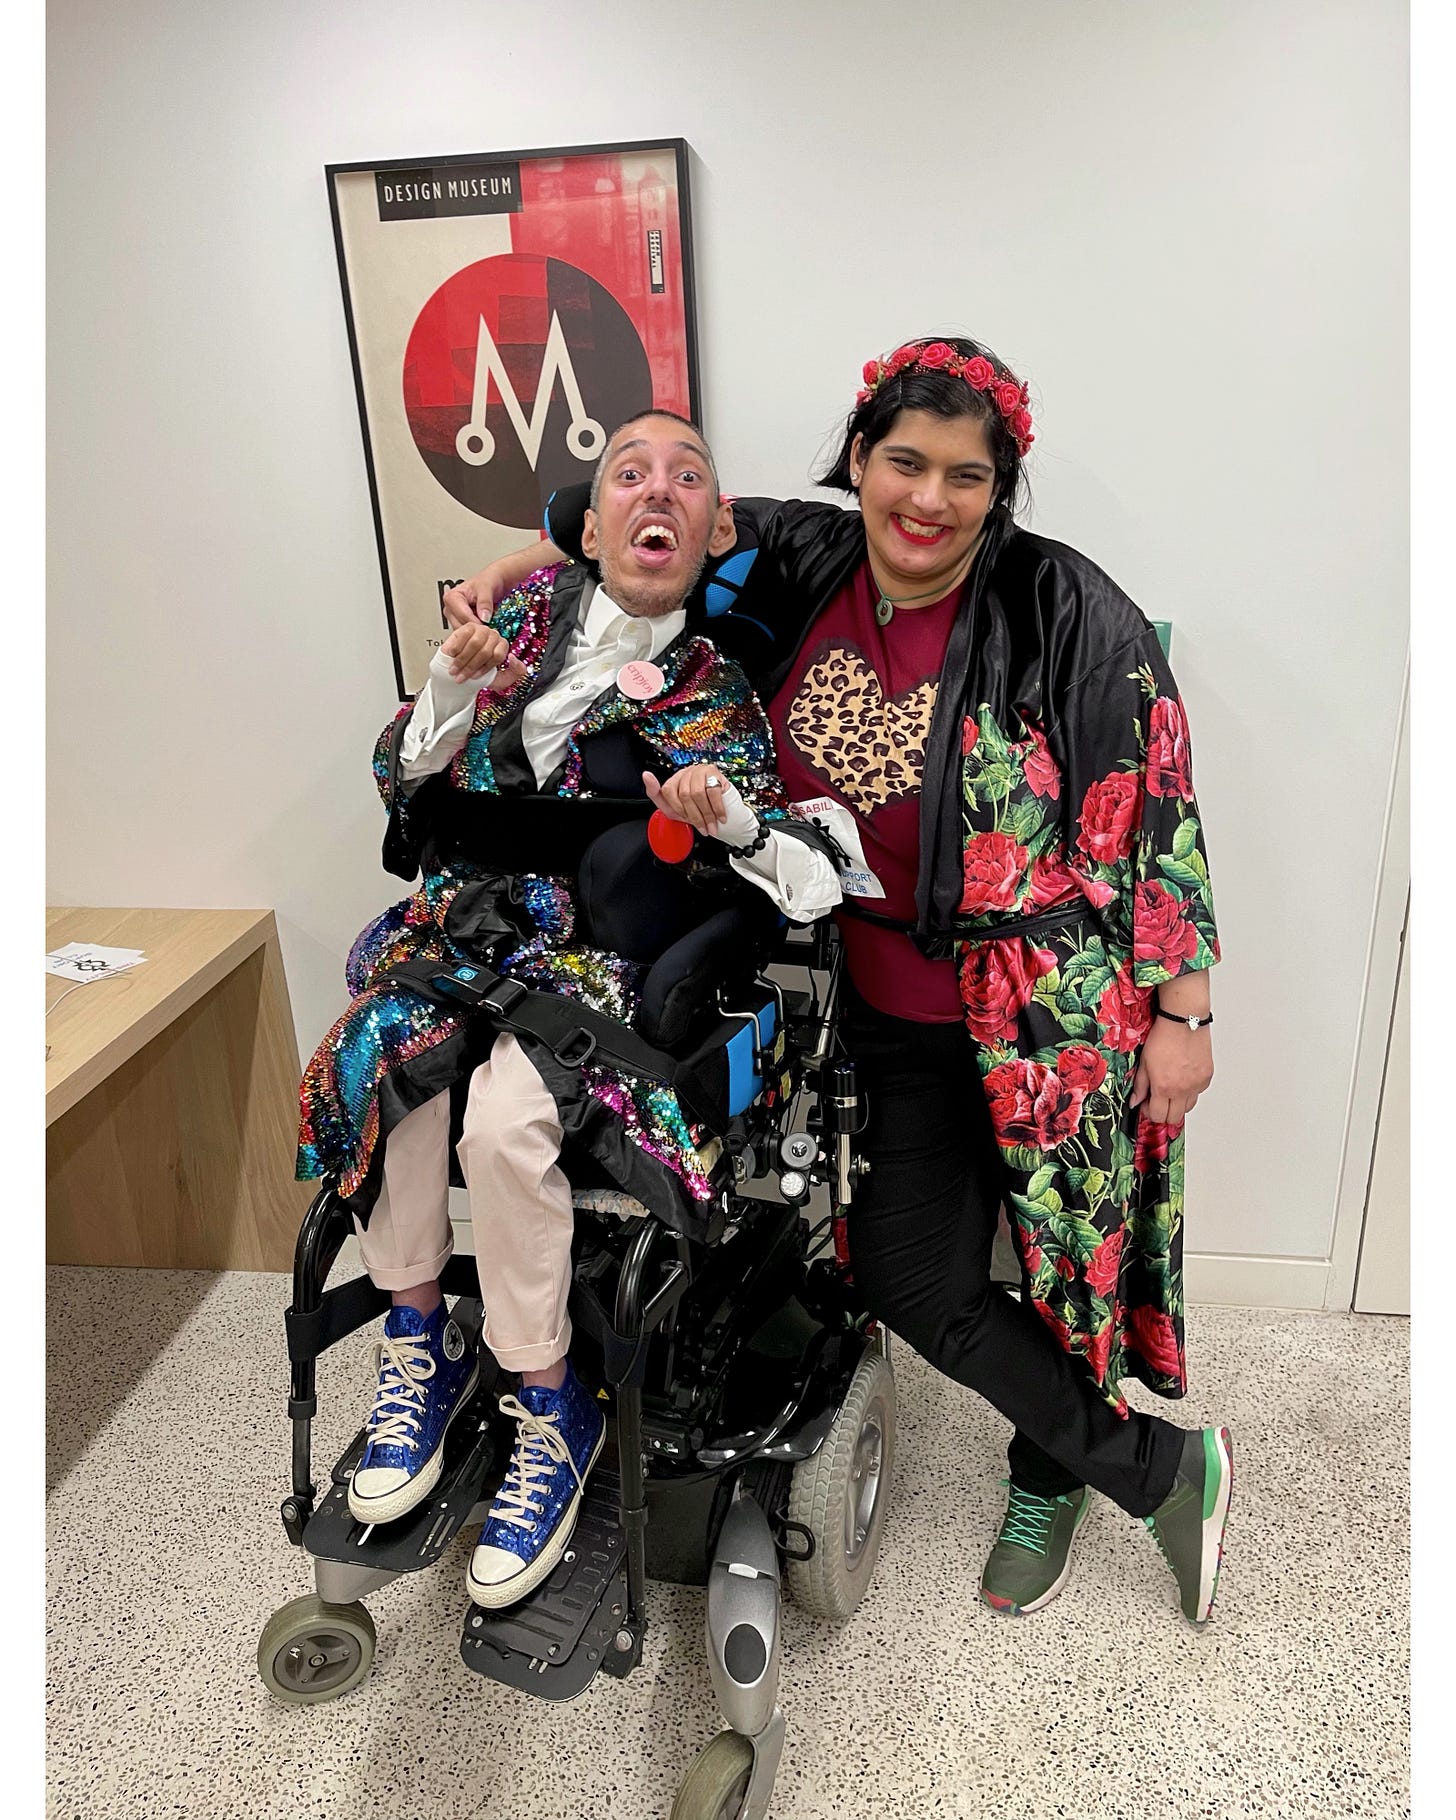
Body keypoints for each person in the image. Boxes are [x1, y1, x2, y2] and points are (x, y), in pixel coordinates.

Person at [445, 337, 1233, 1629]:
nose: (929, 499)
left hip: (1054, 1015)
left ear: (1001, 488)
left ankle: (1056, 1472)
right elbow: (637, 523)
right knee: (915, 1281)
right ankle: (1158, 1465)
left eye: (965, 477)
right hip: (888, 1014)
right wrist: (495, 576)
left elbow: (1158, 813)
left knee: (1066, 1268)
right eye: (905, 462)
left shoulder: (1060, 605)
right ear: (860, 459)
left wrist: (1186, 1014)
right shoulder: (796, 561)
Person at [298, 410, 840, 1610]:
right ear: (586, 527)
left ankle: (552, 1402)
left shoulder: (713, 689)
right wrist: (447, 685)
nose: (659, 492)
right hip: (460, 932)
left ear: (716, 532)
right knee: (380, 1062)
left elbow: (810, 878)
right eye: (629, 476)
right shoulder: (513, 628)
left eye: (687, 479)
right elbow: (400, 779)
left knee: (499, 1122)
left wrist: (731, 818)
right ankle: (422, 1341)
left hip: (591, 970)